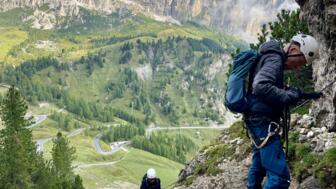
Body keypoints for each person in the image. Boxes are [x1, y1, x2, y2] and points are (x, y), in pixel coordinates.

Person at [244, 34, 322, 188]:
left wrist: (305, 95)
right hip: (263, 123)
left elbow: (267, 88)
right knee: (280, 178)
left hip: (255, 119)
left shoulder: (268, 56)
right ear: (293, 49)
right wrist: (287, 96)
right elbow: (260, 86)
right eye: (299, 62)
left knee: (259, 166)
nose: (297, 67)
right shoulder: (275, 59)